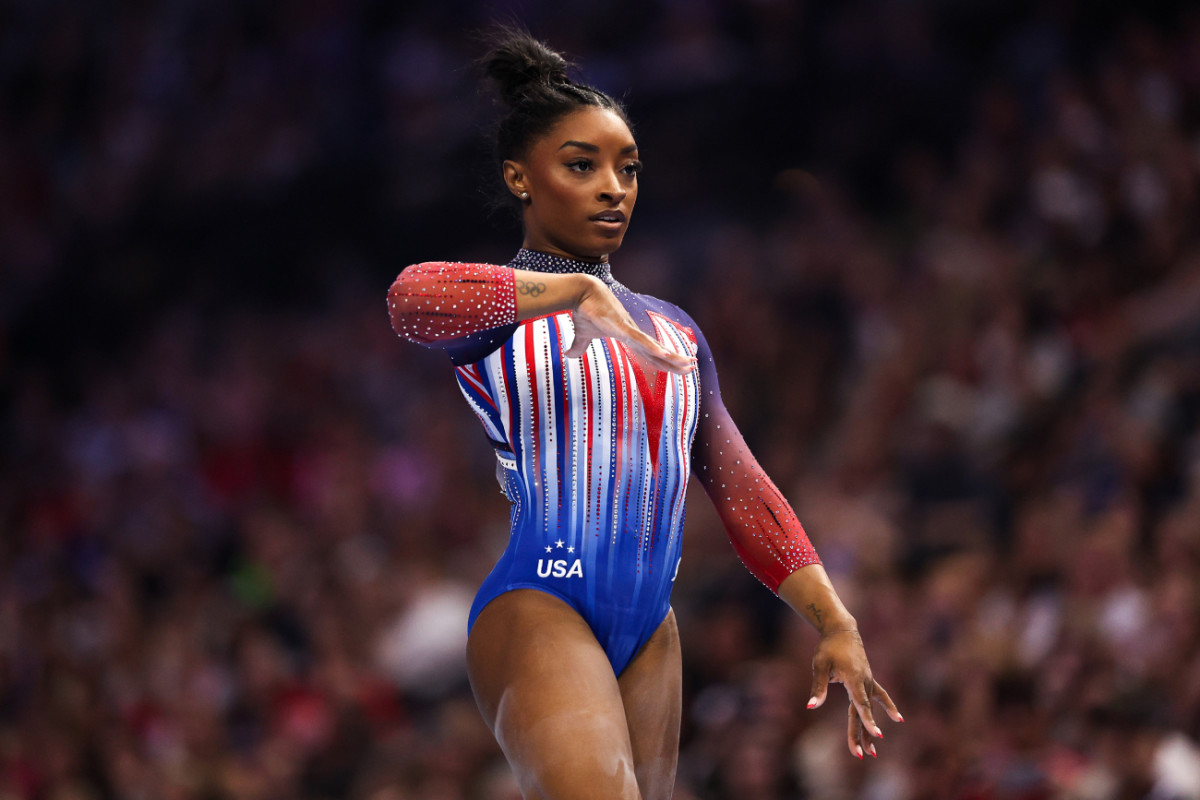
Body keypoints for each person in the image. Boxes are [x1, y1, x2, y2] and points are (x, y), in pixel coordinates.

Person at [387, 30, 902, 800]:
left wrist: (834, 619)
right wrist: (572, 291)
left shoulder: (676, 330)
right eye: (581, 165)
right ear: (520, 179)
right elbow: (409, 302)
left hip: (650, 633)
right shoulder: (504, 310)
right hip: (541, 602)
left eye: (627, 168)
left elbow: (742, 491)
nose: (613, 188)